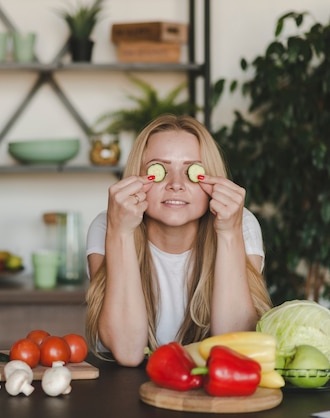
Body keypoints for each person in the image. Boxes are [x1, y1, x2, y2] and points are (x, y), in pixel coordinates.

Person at [85, 114, 272, 366]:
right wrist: (121, 233)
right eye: (159, 170)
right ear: (136, 178)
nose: (176, 184)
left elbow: (233, 346)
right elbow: (127, 351)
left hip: (214, 389)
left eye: (192, 171)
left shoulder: (242, 223)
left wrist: (228, 233)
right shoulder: (108, 224)